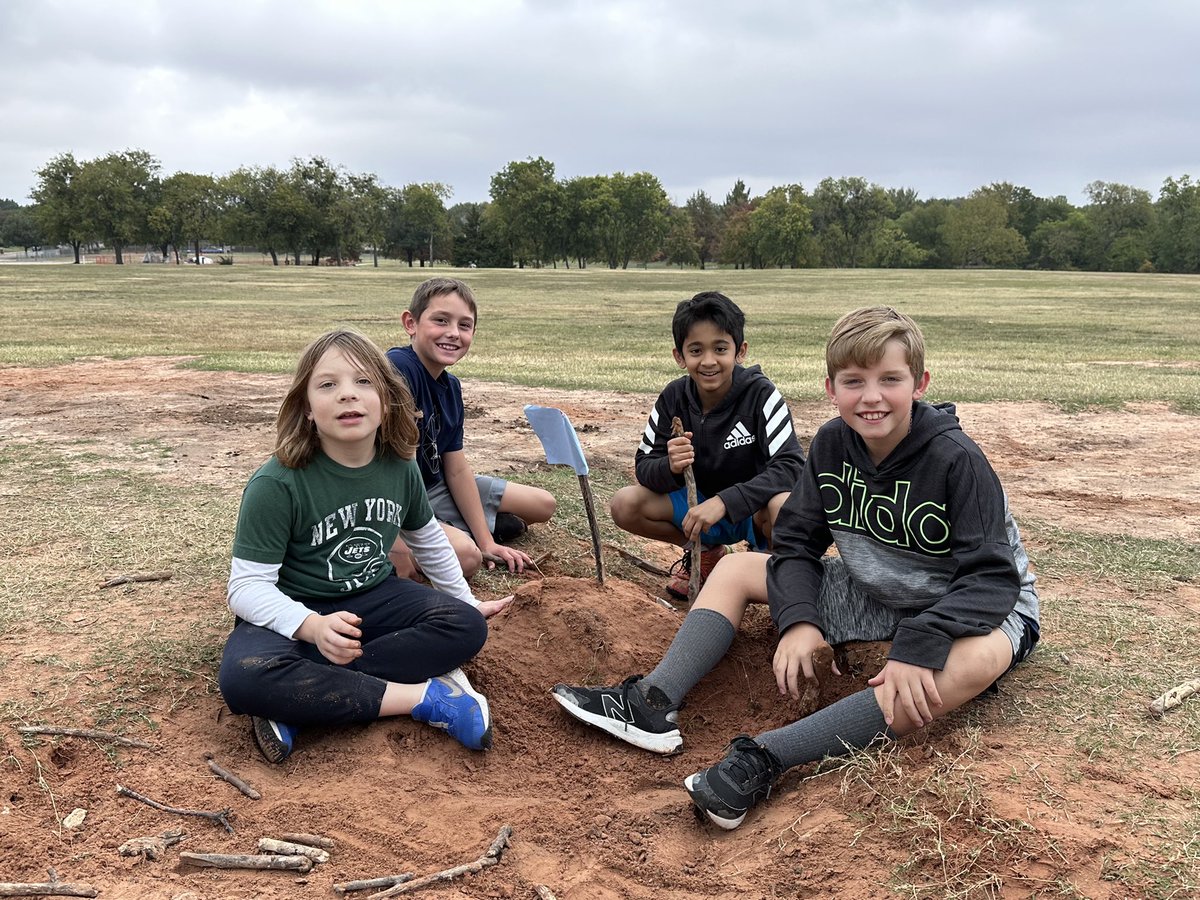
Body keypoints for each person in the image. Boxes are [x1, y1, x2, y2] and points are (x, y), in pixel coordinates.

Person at [553, 306, 1040, 830]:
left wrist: (921, 643)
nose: (871, 396)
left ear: (919, 383)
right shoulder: (832, 443)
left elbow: (992, 579)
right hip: (875, 589)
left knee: (970, 665)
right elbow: (796, 545)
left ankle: (764, 758)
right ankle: (653, 701)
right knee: (736, 570)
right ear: (831, 387)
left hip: (972, 608)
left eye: (889, 380)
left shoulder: (955, 459)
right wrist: (800, 621)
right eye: (854, 381)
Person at [218, 328, 513, 764]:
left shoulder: (398, 466)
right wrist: (312, 627)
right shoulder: (276, 483)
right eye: (327, 385)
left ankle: (303, 698)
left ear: (388, 399)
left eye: (363, 382)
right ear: (306, 409)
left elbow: (427, 538)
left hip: (375, 595)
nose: (347, 396)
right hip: (294, 608)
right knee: (244, 680)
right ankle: (426, 699)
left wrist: (465, 598)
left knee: (465, 627)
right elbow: (245, 589)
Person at [608, 291, 805, 600]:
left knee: (783, 506)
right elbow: (644, 465)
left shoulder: (762, 395)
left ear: (740, 352)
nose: (709, 361)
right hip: (697, 510)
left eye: (720, 348)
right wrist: (670, 466)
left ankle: (768, 565)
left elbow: (792, 467)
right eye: (696, 350)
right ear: (679, 356)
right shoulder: (673, 398)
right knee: (625, 504)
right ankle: (706, 553)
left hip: (753, 511)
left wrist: (726, 501)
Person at [387, 277, 556, 579]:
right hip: (397, 495)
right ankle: (444, 535)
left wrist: (486, 540)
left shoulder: (450, 386)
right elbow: (398, 470)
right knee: (466, 557)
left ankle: (466, 528)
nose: (453, 333)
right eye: (441, 320)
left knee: (543, 504)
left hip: (433, 486)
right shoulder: (399, 368)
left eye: (464, 325)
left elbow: (455, 468)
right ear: (410, 323)